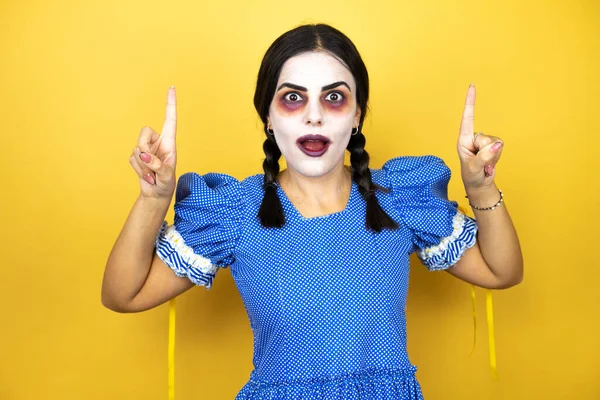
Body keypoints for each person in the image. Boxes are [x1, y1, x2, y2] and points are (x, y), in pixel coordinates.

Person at [102, 23, 523, 399]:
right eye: (292, 99)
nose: (315, 117)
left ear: (357, 115)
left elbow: (502, 272)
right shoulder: (234, 212)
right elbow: (123, 294)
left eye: (335, 98)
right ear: (267, 116)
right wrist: (154, 200)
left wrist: (479, 184)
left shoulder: (398, 199)